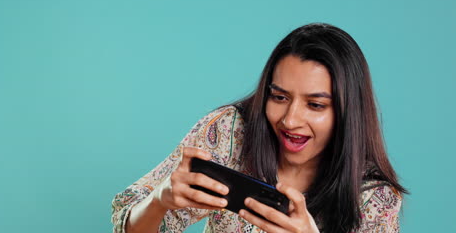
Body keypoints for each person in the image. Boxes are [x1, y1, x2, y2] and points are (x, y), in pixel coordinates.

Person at [111, 23, 407, 233]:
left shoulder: (375, 198)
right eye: (279, 97)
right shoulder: (230, 132)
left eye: (315, 105)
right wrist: (159, 201)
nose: (290, 120)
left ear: (347, 114)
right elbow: (128, 224)